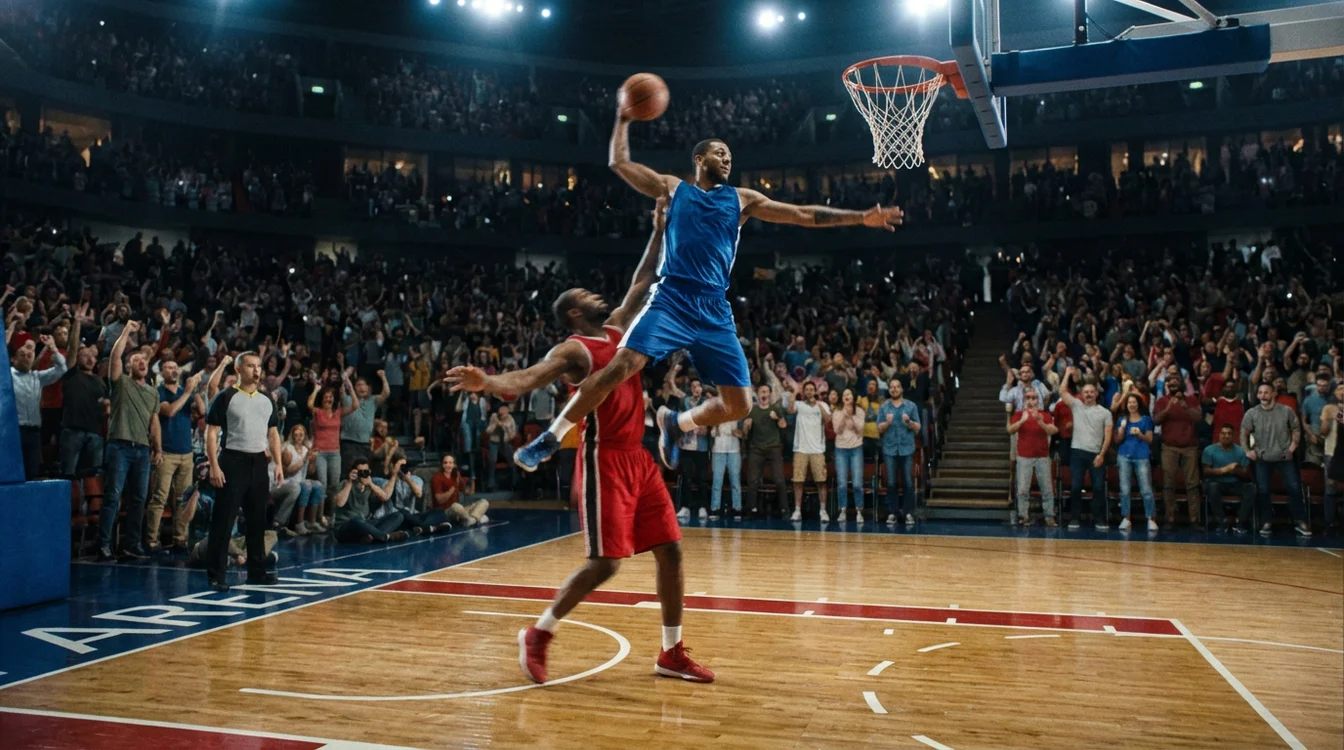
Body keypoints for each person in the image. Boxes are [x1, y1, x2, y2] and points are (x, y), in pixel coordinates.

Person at [514, 114, 903, 472]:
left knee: (740, 405)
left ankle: (676, 422)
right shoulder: (674, 188)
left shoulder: (742, 199)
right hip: (672, 299)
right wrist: (622, 117)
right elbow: (621, 164)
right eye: (720, 152)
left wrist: (861, 217)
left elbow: (801, 214)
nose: (727, 158)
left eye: (730, 154)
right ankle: (553, 436)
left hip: (714, 307)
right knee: (619, 367)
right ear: (700, 159)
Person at [446, 198, 713, 685]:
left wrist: (658, 230)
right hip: (604, 458)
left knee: (671, 549)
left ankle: (671, 652)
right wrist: (486, 381)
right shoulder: (573, 348)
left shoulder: (617, 329)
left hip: (640, 456)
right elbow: (527, 378)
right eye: (587, 294)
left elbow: (641, 280)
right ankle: (540, 634)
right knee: (606, 563)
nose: (598, 296)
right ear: (574, 312)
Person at [203, 351, 285, 590]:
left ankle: (257, 572)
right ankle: (216, 575)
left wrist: (278, 463)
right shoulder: (225, 396)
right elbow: (211, 432)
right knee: (223, 520)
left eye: (259, 366)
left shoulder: (266, 399)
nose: (256, 370)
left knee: (258, 520)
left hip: (259, 462)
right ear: (238, 369)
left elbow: (273, 434)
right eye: (251, 366)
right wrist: (214, 465)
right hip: (232, 460)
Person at [99, 321, 163, 562]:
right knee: (113, 496)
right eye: (136, 359)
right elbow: (115, 355)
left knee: (139, 499)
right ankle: (104, 544)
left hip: (142, 449)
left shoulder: (152, 392)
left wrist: (157, 448)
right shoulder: (121, 383)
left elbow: (154, 422)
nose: (142, 361)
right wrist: (127, 331)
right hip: (120, 446)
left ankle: (131, 544)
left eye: (144, 360)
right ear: (127, 366)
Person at [147, 362, 203, 551]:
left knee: (182, 499)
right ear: (162, 372)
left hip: (186, 452)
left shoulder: (184, 391)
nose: (173, 370)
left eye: (175, 367)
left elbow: (202, 411)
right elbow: (169, 411)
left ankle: (180, 538)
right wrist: (187, 392)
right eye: (169, 368)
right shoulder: (159, 392)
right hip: (167, 452)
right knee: (160, 497)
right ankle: (151, 539)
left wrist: (194, 389)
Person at [1241, 383, 1309, 537]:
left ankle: (1300, 521)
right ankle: (1266, 522)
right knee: (1263, 491)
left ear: (1273, 394)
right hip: (1262, 458)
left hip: (1284, 456)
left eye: (1266, 392)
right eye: (1260, 392)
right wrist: (1247, 450)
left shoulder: (1286, 411)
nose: (1262, 395)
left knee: (1294, 489)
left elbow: (1297, 428)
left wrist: (1292, 447)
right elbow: (1243, 432)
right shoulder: (1252, 413)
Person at [1060, 368, 1114, 531]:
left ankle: (1098, 518)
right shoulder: (1076, 406)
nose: (1089, 394)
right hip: (1077, 452)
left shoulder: (1105, 413)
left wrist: (1102, 455)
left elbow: (1108, 436)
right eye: (1086, 392)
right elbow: (1062, 391)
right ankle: (1075, 518)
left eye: (1091, 392)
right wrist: (1068, 374)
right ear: (1082, 394)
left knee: (1098, 487)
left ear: (1096, 393)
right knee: (1076, 487)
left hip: (1096, 454)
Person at [10, 334, 67, 479]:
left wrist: (52, 348)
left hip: (34, 434)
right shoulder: (7, 375)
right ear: (13, 359)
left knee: (32, 473)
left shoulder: (38, 377)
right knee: (11, 472)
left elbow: (62, 368)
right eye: (22, 354)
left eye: (30, 355)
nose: (27, 357)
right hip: (12, 432)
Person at [1153, 373, 1202, 526]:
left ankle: (1194, 519)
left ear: (1182, 384)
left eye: (1176, 381)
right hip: (1169, 447)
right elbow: (1156, 420)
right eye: (1170, 381)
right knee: (1168, 483)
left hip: (1190, 447)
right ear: (1167, 385)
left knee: (1192, 484)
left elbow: (1198, 418)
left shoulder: (1192, 400)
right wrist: (1168, 408)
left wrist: (1184, 405)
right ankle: (1170, 518)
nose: (1173, 383)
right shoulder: (1162, 401)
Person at [1007, 389, 1058, 526]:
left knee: (1047, 489)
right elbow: (1010, 430)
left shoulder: (1045, 415)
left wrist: (1040, 422)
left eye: (1034, 398)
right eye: (1028, 398)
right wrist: (1022, 421)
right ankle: (1023, 516)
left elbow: (1054, 430)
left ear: (1038, 400)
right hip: (1024, 457)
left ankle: (1049, 517)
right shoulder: (1019, 415)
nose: (1031, 401)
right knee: (1023, 489)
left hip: (1042, 456)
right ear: (1024, 400)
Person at [331, 459, 411, 544]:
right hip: (345, 526)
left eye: (366, 472)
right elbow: (339, 503)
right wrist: (350, 482)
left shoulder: (369, 485)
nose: (363, 475)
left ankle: (372, 537)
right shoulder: (345, 483)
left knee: (398, 516)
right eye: (360, 472)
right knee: (356, 520)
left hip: (364, 524)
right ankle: (384, 536)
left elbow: (385, 497)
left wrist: (370, 484)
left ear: (369, 472)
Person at [59, 343, 108, 477]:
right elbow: (72, 349)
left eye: (92, 356)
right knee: (69, 474)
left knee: (93, 476)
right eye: (85, 356)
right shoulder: (71, 374)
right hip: (73, 430)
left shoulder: (100, 381)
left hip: (95, 432)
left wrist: (106, 404)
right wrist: (77, 323)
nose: (90, 359)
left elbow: (104, 403)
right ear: (77, 358)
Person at [877, 378, 921, 526]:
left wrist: (909, 422)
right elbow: (879, 428)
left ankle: (908, 512)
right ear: (889, 390)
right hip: (890, 449)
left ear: (902, 389)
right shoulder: (884, 407)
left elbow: (918, 428)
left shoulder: (911, 406)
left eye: (897, 387)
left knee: (908, 482)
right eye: (892, 387)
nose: (894, 389)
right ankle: (892, 512)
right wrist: (887, 423)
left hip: (906, 449)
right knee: (891, 483)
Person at [743, 384, 789, 518]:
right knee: (752, 480)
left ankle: (784, 510)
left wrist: (777, 418)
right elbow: (745, 433)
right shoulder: (752, 410)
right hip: (756, 448)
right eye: (762, 391)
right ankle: (751, 509)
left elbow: (783, 425)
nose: (764, 394)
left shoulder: (775, 408)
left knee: (779, 479)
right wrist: (746, 426)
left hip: (773, 448)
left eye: (766, 392)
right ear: (758, 394)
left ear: (770, 394)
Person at [1201, 424, 1257, 533]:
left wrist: (1233, 470)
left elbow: (1246, 474)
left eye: (1229, 434)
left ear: (1233, 436)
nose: (1226, 436)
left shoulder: (1241, 451)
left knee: (1251, 487)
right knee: (1212, 487)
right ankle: (1222, 521)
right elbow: (1206, 471)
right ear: (1219, 435)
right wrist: (1225, 469)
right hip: (1216, 484)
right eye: (1223, 433)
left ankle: (1240, 521)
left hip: (1235, 484)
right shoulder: (1209, 450)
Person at [1114, 393, 1158, 532]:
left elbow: (1150, 439)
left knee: (1146, 489)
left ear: (1138, 404)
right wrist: (1122, 429)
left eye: (1134, 402)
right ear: (1126, 405)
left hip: (1142, 456)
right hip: (1124, 456)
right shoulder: (1122, 419)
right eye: (1129, 402)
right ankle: (1126, 518)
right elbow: (1117, 440)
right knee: (1125, 489)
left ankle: (1151, 518)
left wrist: (1140, 434)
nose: (1132, 405)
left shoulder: (1146, 420)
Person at [788, 380, 830, 522]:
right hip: (800, 449)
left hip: (818, 450)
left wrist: (818, 405)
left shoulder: (822, 405)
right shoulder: (799, 405)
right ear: (804, 392)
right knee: (798, 481)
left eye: (812, 389)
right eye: (807, 390)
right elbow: (789, 409)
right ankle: (797, 510)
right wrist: (794, 392)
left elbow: (827, 420)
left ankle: (823, 511)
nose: (810, 392)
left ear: (815, 392)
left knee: (821, 481)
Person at [279, 424, 326, 535]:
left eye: (301, 434)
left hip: (301, 479)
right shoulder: (288, 449)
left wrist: (313, 460)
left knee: (319, 485)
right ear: (293, 436)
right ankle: (299, 523)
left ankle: (312, 521)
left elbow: (310, 472)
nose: (299, 437)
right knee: (307, 486)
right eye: (296, 435)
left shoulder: (306, 449)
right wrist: (305, 459)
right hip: (290, 481)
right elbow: (288, 472)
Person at [832, 388, 866, 524]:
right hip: (840, 449)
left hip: (856, 448)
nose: (847, 396)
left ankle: (859, 511)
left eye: (849, 394)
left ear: (853, 397)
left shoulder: (860, 411)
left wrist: (851, 416)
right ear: (842, 398)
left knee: (857, 483)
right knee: (841, 483)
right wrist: (843, 417)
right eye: (844, 394)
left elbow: (860, 430)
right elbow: (837, 430)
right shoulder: (837, 411)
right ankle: (843, 510)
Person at [429, 454, 489, 527]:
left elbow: (469, 493)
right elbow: (439, 500)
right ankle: (475, 518)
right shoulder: (436, 478)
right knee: (456, 506)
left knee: (484, 502)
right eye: (445, 463)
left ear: (454, 465)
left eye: (450, 463)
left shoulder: (455, 477)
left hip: (460, 512)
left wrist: (473, 481)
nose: (448, 465)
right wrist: (450, 491)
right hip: (445, 512)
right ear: (442, 464)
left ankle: (471, 519)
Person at [1319, 380, 1344, 530]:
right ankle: (1329, 523)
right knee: (1330, 490)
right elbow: (1323, 432)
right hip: (1331, 452)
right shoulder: (1329, 408)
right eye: (1340, 388)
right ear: (1334, 392)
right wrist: (1327, 419)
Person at [709, 418, 742, 520]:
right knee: (717, 481)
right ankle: (715, 508)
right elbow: (712, 434)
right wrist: (716, 426)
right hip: (718, 450)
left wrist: (737, 432)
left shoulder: (738, 414)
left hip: (734, 450)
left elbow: (743, 434)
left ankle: (737, 508)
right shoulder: (716, 414)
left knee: (735, 480)